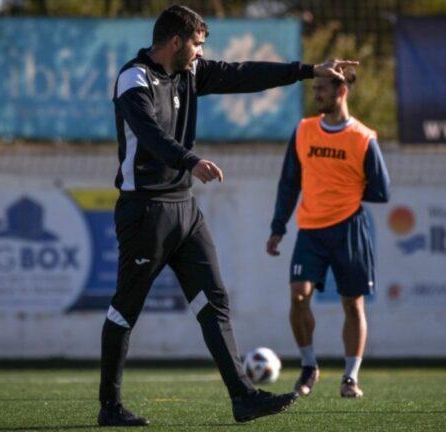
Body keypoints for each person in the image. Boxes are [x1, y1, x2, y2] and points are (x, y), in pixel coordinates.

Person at [99, 5, 359, 427]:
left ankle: (243, 397)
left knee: (213, 300)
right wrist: (190, 159)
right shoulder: (134, 77)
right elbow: (149, 133)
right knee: (126, 308)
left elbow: (244, 74)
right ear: (176, 41)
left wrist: (310, 70)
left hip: (185, 208)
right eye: (197, 45)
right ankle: (109, 406)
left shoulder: (191, 72)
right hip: (144, 210)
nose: (201, 54)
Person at [266, 67, 390, 399]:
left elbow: (382, 190)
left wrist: (346, 194)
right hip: (311, 231)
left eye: (322, 89)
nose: (316, 94)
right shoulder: (304, 130)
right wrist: (278, 227)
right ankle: (309, 365)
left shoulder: (363, 138)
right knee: (298, 295)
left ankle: (350, 377)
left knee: (353, 305)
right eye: (314, 88)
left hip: (349, 229)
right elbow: (289, 182)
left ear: (341, 92)